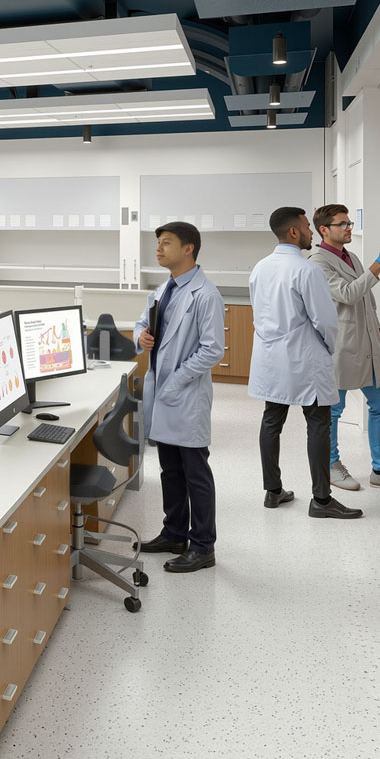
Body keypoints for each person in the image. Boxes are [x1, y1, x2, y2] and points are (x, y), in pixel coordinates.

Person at [250, 207, 359, 519]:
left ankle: (273, 491)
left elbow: (261, 313)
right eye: (307, 228)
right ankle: (322, 500)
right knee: (318, 425)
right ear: (294, 232)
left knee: (272, 420)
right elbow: (325, 321)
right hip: (303, 357)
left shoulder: (261, 267)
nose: (312, 232)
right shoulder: (306, 270)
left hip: (270, 359)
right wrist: (326, 348)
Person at [132, 222, 225, 573]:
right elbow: (143, 322)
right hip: (164, 392)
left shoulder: (206, 295)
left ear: (188, 249)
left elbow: (213, 349)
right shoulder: (163, 289)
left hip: (186, 396)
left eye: (166, 243)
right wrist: (141, 335)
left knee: (195, 472)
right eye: (158, 243)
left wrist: (176, 380)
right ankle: (174, 532)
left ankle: (203, 545)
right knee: (170, 468)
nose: (158, 248)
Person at [307, 205, 380, 493]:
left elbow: (366, 298)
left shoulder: (350, 256)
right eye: (342, 224)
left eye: (349, 223)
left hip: (368, 341)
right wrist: (378, 264)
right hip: (341, 347)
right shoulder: (318, 262)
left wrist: (379, 333)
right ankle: (331, 466)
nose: (348, 228)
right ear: (324, 230)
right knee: (333, 410)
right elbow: (348, 294)